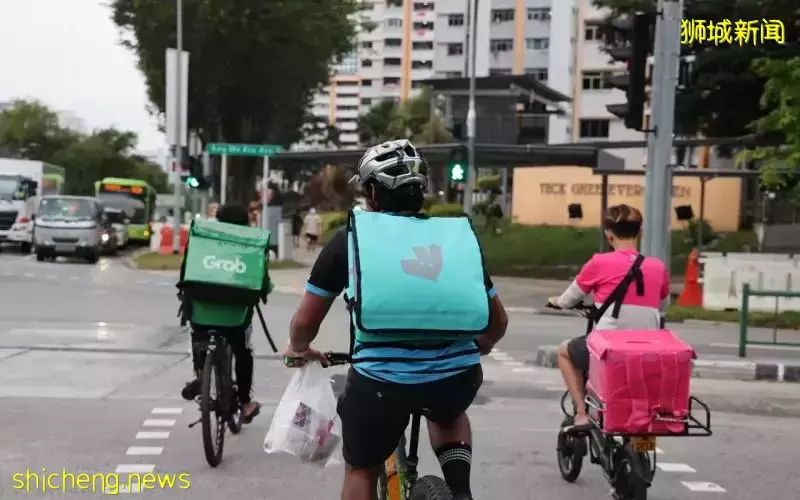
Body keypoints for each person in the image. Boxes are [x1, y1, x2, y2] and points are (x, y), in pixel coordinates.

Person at [284, 139, 509, 500]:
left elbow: (305, 321)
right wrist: (486, 342)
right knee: (448, 413)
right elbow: (497, 320)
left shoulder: (350, 239)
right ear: (420, 190)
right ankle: (460, 493)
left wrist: (299, 348)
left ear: (372, 192)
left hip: (379, 383)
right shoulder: (457, 238)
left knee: (361, 466)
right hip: (457, 376)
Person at [547, 204, 669, 432]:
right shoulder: (658, 267)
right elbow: (663, 303)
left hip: (609, 348)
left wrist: (556, 301)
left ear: (608, 233)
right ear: (639, 232)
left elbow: (569, 299)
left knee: (564, 352)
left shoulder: (599, 263)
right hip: (649, 348)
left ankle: (582, 414)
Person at [179, 202, 266, 423]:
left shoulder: (202, 238)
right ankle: (245, 403)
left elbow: (186, 272)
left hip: (200, 311)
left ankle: (200, 373)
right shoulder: (251, 242)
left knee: (198, 336)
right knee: (242, 351)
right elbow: (262, 281)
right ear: (245, 222)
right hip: (235, 316)